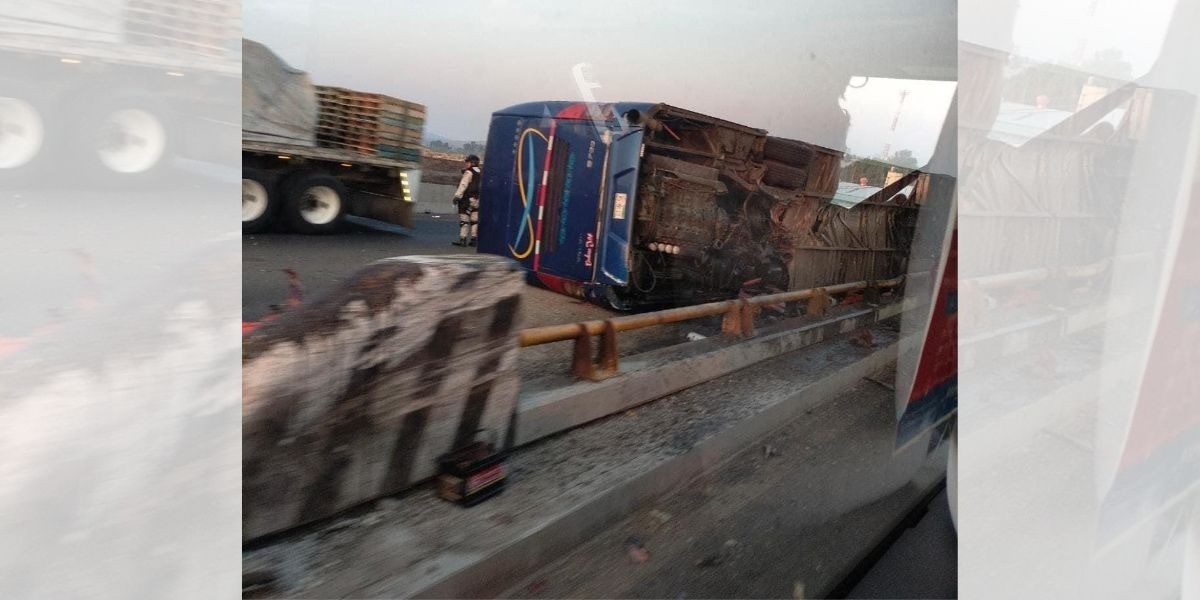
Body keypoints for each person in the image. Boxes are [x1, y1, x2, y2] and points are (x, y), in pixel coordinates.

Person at [452, 154, 482, 247]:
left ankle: (463, 239)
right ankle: (474, 239)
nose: (466, 164)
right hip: (477, 200)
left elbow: (463, 185)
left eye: (467, 162)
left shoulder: (469, 172)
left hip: (467, 199)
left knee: (464, 219)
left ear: (472, 163)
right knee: (474, 220)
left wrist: (456, 196)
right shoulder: (481, 172)